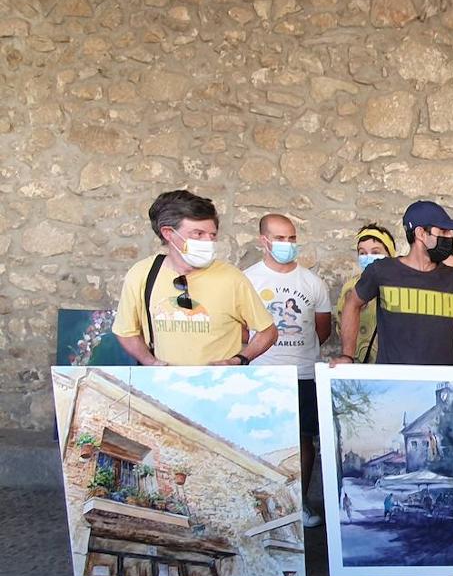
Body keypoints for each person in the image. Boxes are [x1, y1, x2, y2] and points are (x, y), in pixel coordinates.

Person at [332, 200, 453, 379]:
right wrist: (347, 356)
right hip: (392, 384)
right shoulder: (383, 270)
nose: (449, 237)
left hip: (440, 385)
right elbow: (352, 303)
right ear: (420, 233)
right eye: (443, 231)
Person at [113, 190, 277, 367]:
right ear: (168, 233)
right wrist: (149, 362)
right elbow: (126, 331)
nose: (208, 241)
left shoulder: (232, 278)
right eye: (198, 234)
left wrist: (239, 360)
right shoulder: (141, 274)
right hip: (165, 387)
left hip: (220, 387)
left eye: (212, 235)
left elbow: (268, 331)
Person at [244, 214, 333, 528]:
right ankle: (262, 506)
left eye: (292, 238)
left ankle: (301, 501)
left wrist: (297, 351)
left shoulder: (312, 282)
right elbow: (242, 329)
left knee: (304, 441)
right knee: (261, 440)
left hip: (304, 373)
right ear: (263, 241)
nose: (287, 244)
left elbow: (323, 329)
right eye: (280, 238)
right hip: (262, 373)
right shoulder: (248, 280)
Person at [335, 224, 396, 363]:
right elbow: (340, 322)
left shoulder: (400, 285)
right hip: (358, 362)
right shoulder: (350, 287)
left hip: (393, 364)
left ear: (390, 254)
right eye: (362, 253)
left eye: (375, 252)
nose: (368, 257)